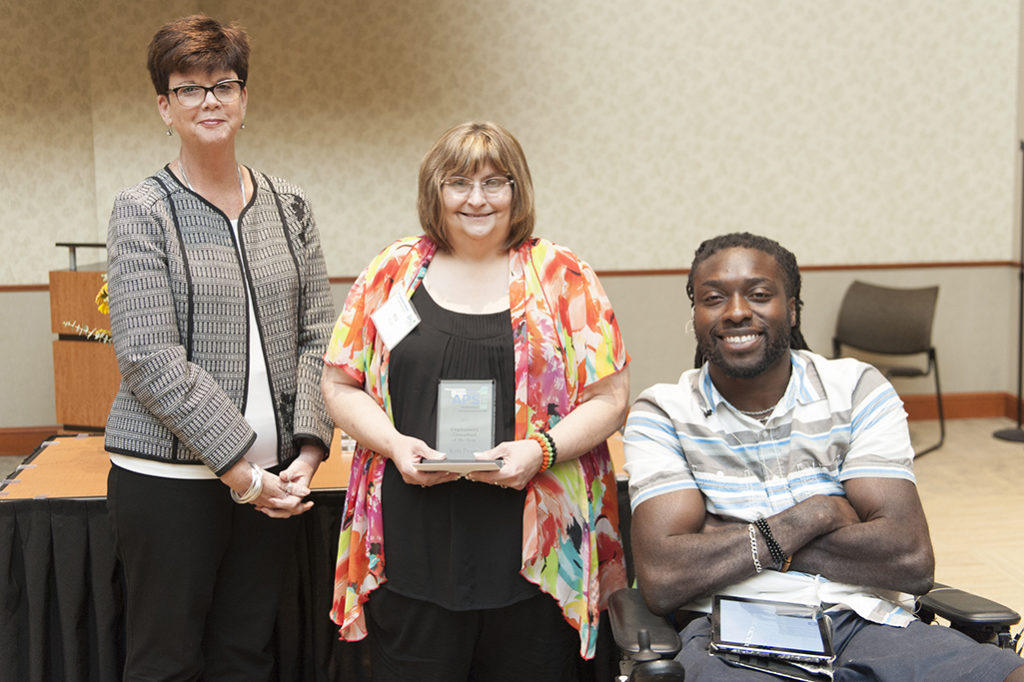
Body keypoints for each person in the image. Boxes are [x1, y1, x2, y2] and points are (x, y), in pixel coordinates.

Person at [623, 232, 1024, 681]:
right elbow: (664, 577)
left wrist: (743, 538)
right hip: (732, 636)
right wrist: (819, 512)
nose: (736, 311)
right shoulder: (662, 412)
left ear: (792, 309)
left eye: (758, 294)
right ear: (695, 314)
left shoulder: (855, 389)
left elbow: (909, 559)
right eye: (713, 298)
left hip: (869, 620)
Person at [321, 121, 630, 681]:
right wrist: (392, 443)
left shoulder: (561, 276)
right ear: (434, 191)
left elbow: (611, 398)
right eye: (459, 182)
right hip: (410, 544)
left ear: (518, 191)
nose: (477, 198)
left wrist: (541, 450)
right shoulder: (393, 273)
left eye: (495, 182)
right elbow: (340, 384)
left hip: (533, 549)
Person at [104, 14, 335, 680]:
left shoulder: (290, 205)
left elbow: (320, 332)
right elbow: (150, 356)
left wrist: (310, 447)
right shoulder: (142, 209)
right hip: (170, 483)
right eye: (189, 88)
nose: (209, 101)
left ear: (244, 99)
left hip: (279, 483)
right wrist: (243, 474)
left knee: (246, 655)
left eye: (223, 85)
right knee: (166, 660)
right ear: (163, 107)